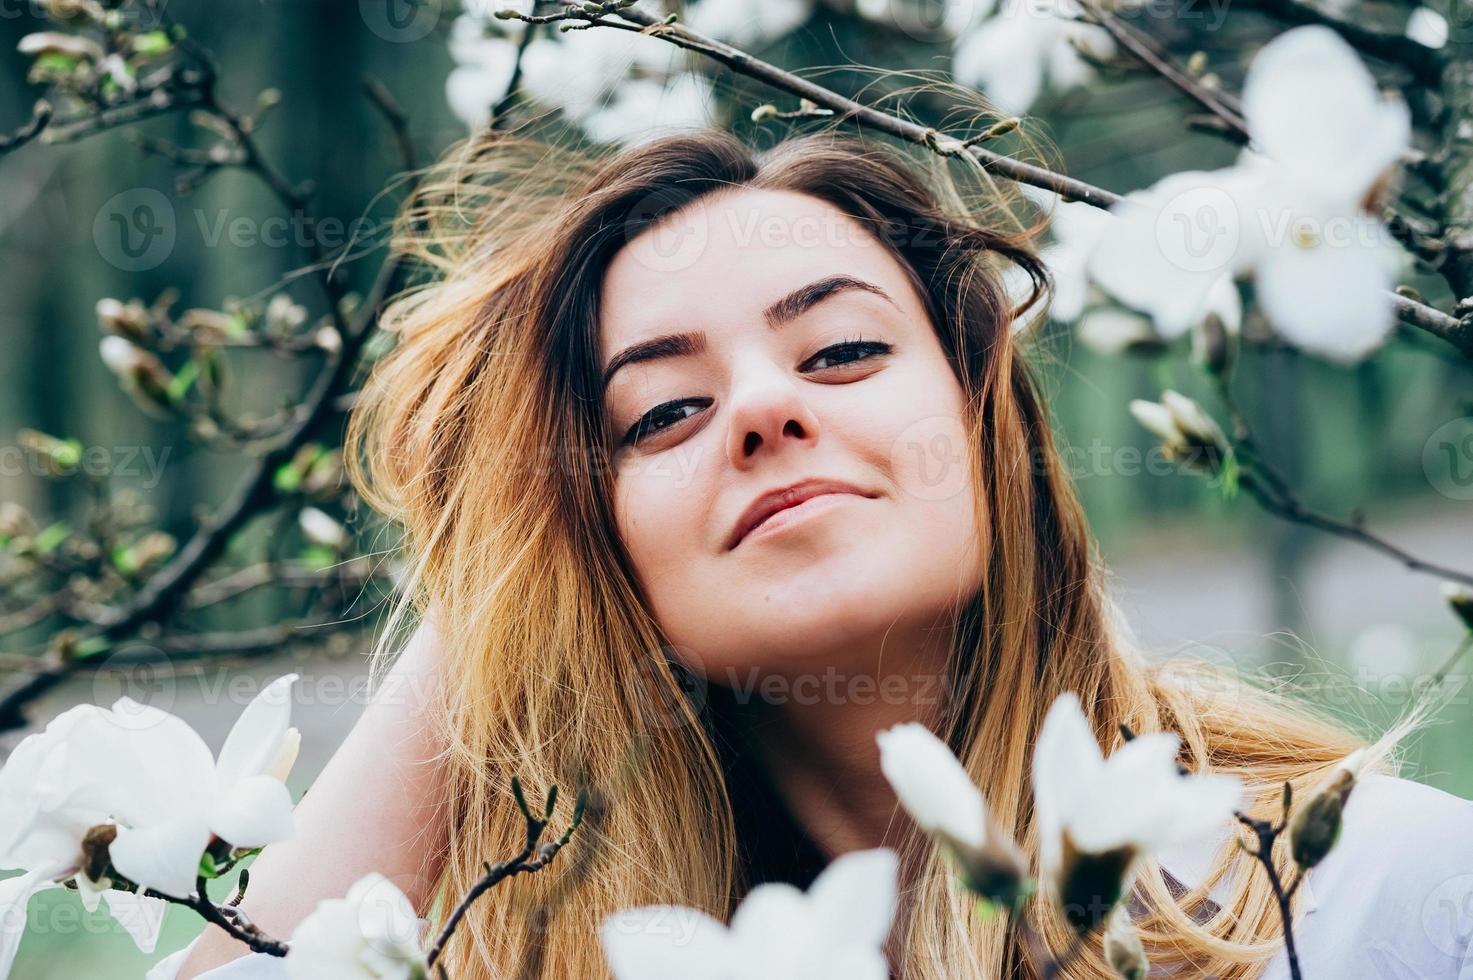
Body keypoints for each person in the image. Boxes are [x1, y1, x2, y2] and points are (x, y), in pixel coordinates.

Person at [157, 126, 1473, 979]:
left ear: (983, 427)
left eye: (841, 349)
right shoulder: (613, 955)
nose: (762, 411)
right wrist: (498, 559)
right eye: (660, 412)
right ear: (587, 550)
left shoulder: (1380, 902)